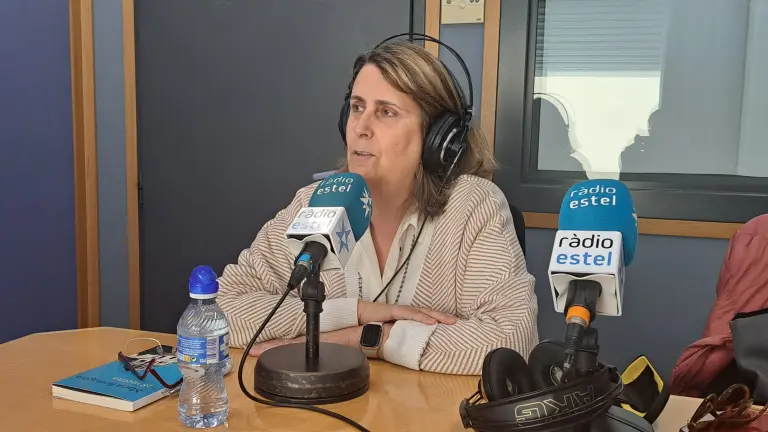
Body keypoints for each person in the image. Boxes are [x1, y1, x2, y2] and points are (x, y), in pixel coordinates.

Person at [216, 36, 538, 375]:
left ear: (438, 138)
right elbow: (222, 310)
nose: (360, 127)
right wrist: (355, 312)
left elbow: (511, 340)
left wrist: (364, 339)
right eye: (357, 107)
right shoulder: (315, 203)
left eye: (386, 112)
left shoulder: (473, 207)